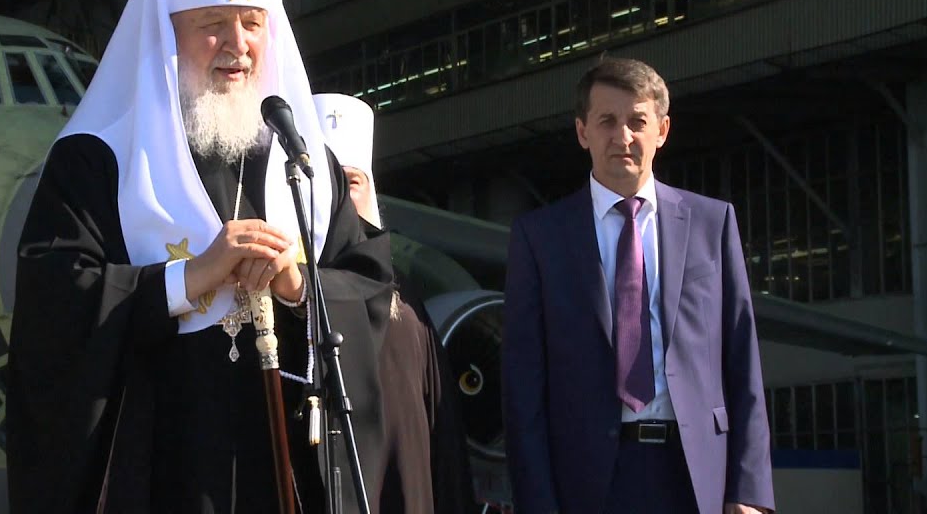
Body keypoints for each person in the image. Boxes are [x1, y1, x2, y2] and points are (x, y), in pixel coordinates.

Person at [5, 0, 395, 514]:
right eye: (213, 23)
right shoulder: (97, 160)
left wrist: (299, 285)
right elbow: (52, 313)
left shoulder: (304, 160)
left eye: (252, 22)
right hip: (161, 470)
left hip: (284, 472)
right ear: (166, 32)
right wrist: (188, 279)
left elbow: (373, 286)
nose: (237, 46)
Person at [500, 57, 775, 514]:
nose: (623, 136)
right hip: (585, 481)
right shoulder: (539, 238)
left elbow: (742, 358)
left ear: (662, 130)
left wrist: (748, 490)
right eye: (607, 121)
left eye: (637, 122)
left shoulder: (712, 223)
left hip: (695, 475)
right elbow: (522, 386)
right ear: (582, 132)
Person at [313, 92, 475, 514]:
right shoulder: (286, 290)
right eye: (326, 184)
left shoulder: (408, 300)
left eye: (351, 183)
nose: (339, 200)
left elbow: (442, 433)